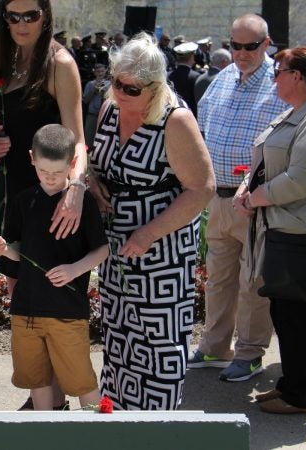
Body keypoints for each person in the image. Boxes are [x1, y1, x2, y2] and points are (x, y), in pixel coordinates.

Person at [89, 32, 215, 410]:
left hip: (161, 247)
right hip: (117, 243)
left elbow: (202, 188)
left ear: (155, 86)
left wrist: (149, 233)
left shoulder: (175, 120)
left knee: (157, 343)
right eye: (115, 82)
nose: (121, 92)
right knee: (117, 333)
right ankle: (117, 418)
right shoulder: (111, 108)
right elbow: (98, 164)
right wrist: (94, 185)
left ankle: (159, 425)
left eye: (131, 88)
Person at [0, 0, 87, 411]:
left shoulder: (59, 63)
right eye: (13, 15)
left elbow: (78, 137)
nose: (22, 23)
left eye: (31, 15)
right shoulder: (4, 61)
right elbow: (0, 128)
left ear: (46, 16)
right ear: (3, 18)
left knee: (50, 301)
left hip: (50, 197)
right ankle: (45, 395)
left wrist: (76, 188)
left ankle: (53, 399)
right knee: (22, 298)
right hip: (12, 197)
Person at [236, 47, 306, 414]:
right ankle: (289, 386)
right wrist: (247, 189)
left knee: (299, 317)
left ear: (297, 76)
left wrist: (255, 199)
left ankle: (301, 397)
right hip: (284, 227)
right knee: (286, 313)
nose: (274, 78)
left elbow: (301, 180)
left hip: (303, 232)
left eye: (278, 71)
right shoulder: (300, 112)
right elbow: (269, 160)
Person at [190, 13, 288, 382]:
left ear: (266, 44)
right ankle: (216, 346)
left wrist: (258, 189)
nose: (242, 53)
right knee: (218, 277)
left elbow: (284, 145)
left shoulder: (278, 85)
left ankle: (249, 352)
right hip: (218, 198)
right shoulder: (221, 79)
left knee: (252, 283)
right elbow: (201, 129)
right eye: (235, 45)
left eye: (251, 46)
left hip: (254, 201)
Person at [0, 124, 109, 410]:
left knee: (83, 382)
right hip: (26, 310)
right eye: (44, 172)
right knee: (38, 381)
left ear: (72, 163)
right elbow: (20, 253)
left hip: (66, 312)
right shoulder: (23, 201)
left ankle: (101, 435)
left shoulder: (83, 204)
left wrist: (75, 269)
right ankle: (44, 432)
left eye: (58, 172)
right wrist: (6, 249)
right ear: (31, 158)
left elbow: (102, 250)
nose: (51, 179)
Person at [168, 41, 202, 117]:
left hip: (170, 117)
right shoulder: (196, 77)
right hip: (190, 116)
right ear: (192, 56)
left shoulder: (168, 75)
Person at [82, 63, 109, 144]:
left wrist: (103, 93)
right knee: (88, 141)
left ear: (105, 72)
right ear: (95, 73)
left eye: (102, 71)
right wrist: (94, 90)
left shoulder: (109, 84)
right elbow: (85, 101)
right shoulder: (90, 84)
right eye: (98, 71)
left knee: (101, 142)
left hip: (105, 117)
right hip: (92, 116)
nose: (100, 73)